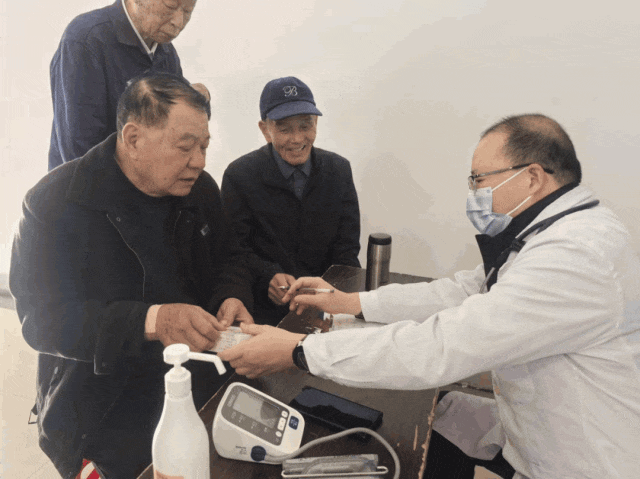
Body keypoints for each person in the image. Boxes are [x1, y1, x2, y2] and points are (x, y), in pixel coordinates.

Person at [218, 114, 640, 479]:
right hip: (534, 426)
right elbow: (462, 291)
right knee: (443, 416)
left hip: (582, 460)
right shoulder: (548, 235)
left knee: (423, 418)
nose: (473, 193)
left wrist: (300, 351)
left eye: (479, 179)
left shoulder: (575, 255)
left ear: (531, 177)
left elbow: (443, 346)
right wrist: (350, 303)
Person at [11, 73, 255, 479]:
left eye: (204, 146)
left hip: (193, 384)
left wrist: (231, 293)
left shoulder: (200, 190)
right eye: (185, 147)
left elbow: (230, 257)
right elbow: (42, 323)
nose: (199, 161)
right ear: (134, 138)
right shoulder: (55, 203)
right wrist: (153, 320)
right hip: (102, 404)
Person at [221, 76, 361, 325]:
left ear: (316, 124)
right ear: (265, 130)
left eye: (305, 126)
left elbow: (347, 251)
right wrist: (268, 275)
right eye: (285, 129)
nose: (297, 139)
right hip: (262, 311)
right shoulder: (239, 176)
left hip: (327, 305)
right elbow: (234, 251)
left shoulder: (338, 170)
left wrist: (336, 300)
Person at [48, 0, 208, 171]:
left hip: (146, 180)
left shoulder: (166, 52)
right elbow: (80, 152)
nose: (179, 22)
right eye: (170, 6)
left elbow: (174, 133)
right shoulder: (86, 38)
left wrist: (197, 102)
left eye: (188, 11)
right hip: (93, 181)